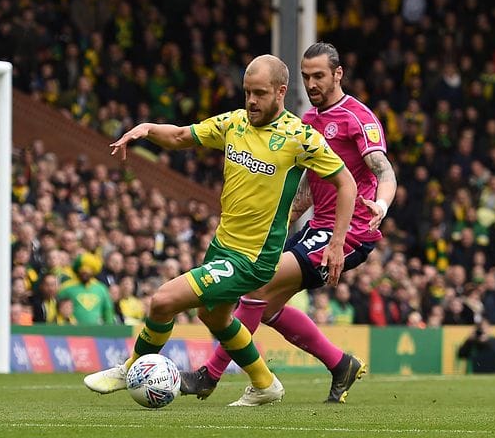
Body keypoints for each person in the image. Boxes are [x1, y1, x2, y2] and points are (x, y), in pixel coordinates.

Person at [84, 54, 357, 406]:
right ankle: (264, 383)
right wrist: (148, 129)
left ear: (280, 92)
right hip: (223, 246)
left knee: (163, 301)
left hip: (253, 258)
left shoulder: (300, 138)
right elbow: (183, 136)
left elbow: (346, 184)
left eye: (260, 93)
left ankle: (130, 368)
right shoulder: (234, 123)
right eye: (246, 93)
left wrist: (337, 243)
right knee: (212, 315)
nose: (251, 101)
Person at [181, 42, 397, 403]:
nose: (311, 84)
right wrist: (287, 218)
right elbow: (309, 191)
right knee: (267, 310)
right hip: (316, 231)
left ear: (338, 74)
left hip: (350, 231)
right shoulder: (308, 122)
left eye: (319, 76)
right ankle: (340, 363)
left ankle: (209, 375)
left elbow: (383, 169)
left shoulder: (357, 118)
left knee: (255, 290)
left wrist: (381, 205)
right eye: (306, 77)